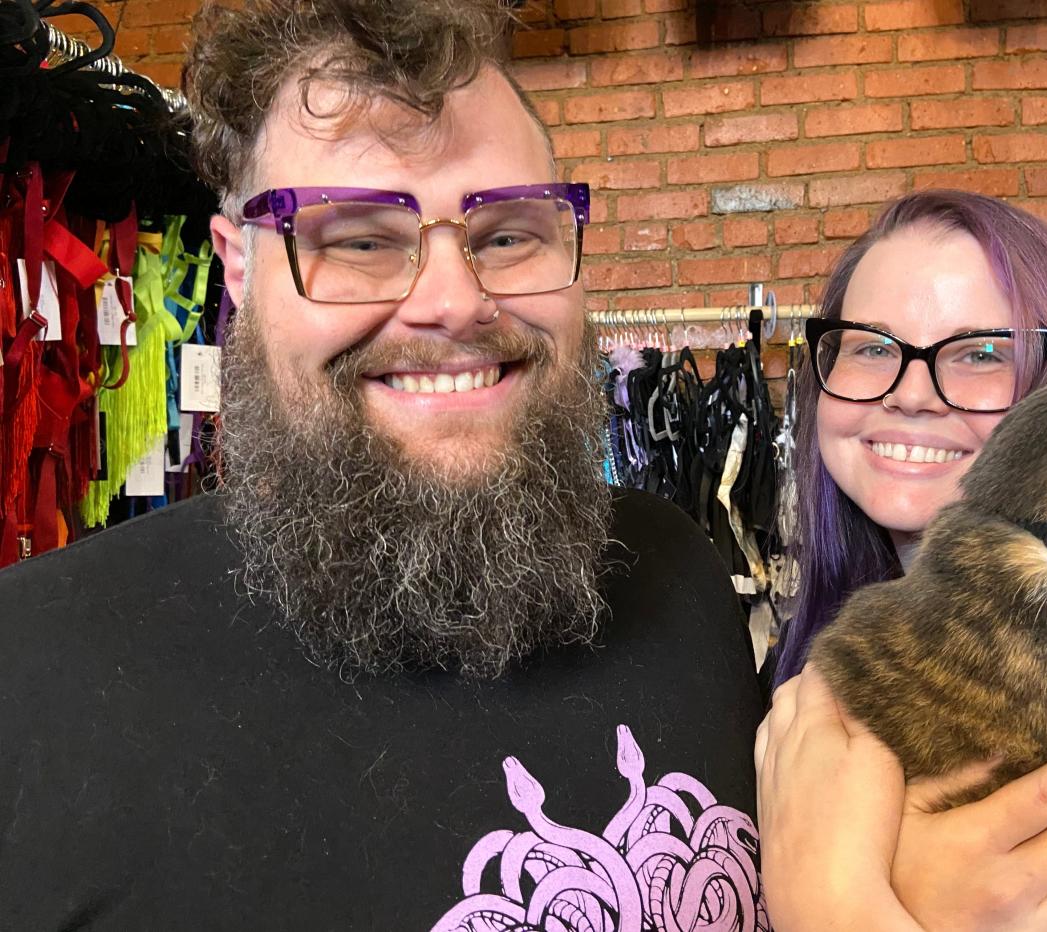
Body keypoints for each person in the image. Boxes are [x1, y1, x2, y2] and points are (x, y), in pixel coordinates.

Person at [0, 1, 765, 927]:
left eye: (509, 233)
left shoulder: (679, 573)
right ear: (238, 270)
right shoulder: (31, 679)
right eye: (360, 239)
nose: (454, 302)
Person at [754, 190, 1047, 931]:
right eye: (871, 346)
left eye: (982, 355)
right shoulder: (795, 670)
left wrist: (837, 909)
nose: (908, 394)